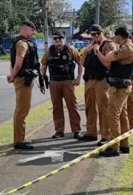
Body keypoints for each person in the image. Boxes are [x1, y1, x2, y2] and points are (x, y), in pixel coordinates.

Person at [94, 27, 133, 157]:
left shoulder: (126, 48)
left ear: (120, 36)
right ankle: (124, 144)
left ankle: (114, 146)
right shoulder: (125, 47)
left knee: (113, 115)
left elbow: (107, 58)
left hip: (119, 88)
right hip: (119, 86)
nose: (113, 38)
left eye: (115, 36)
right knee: (122, 116)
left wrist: (97, 52)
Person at [41, 31, 83, 139]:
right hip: (54, 82)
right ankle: (59, 131)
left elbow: (80, 62)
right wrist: (43, 76)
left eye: (59, 38)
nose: (57, 41)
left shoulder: (70, 49)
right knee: (57, 107)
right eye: (55, 39)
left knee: (72, 106)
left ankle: (76, 130)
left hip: (68, 82)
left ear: (64, 39)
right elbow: (44, 64)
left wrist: (78, 77)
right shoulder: (50, 50)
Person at [79, 24, 116, 146]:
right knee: (90, 107)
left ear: (102, 33)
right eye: (92, 34)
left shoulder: (108, 45)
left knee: (103, 108)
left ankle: (105, 134)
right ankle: (91, 132)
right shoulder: (90, 46)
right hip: (89, 80)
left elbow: (108, 63)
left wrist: (97, 51)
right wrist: (86, 51)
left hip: (101, 81)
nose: (95, 36)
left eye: (97, 34)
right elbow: (82, 63)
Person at [7, 20, 38, 150]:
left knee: (21, 109)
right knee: (22, 110)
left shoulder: (20, 42)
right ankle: (19, 141)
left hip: (23, 79)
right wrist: (13, 75)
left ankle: (19, 138)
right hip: (23, 80)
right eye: (32, 30)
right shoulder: (22, 44)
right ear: (26, 29)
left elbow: (13, 62)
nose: (33, 33)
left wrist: (12, 75)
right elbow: (18, 63)